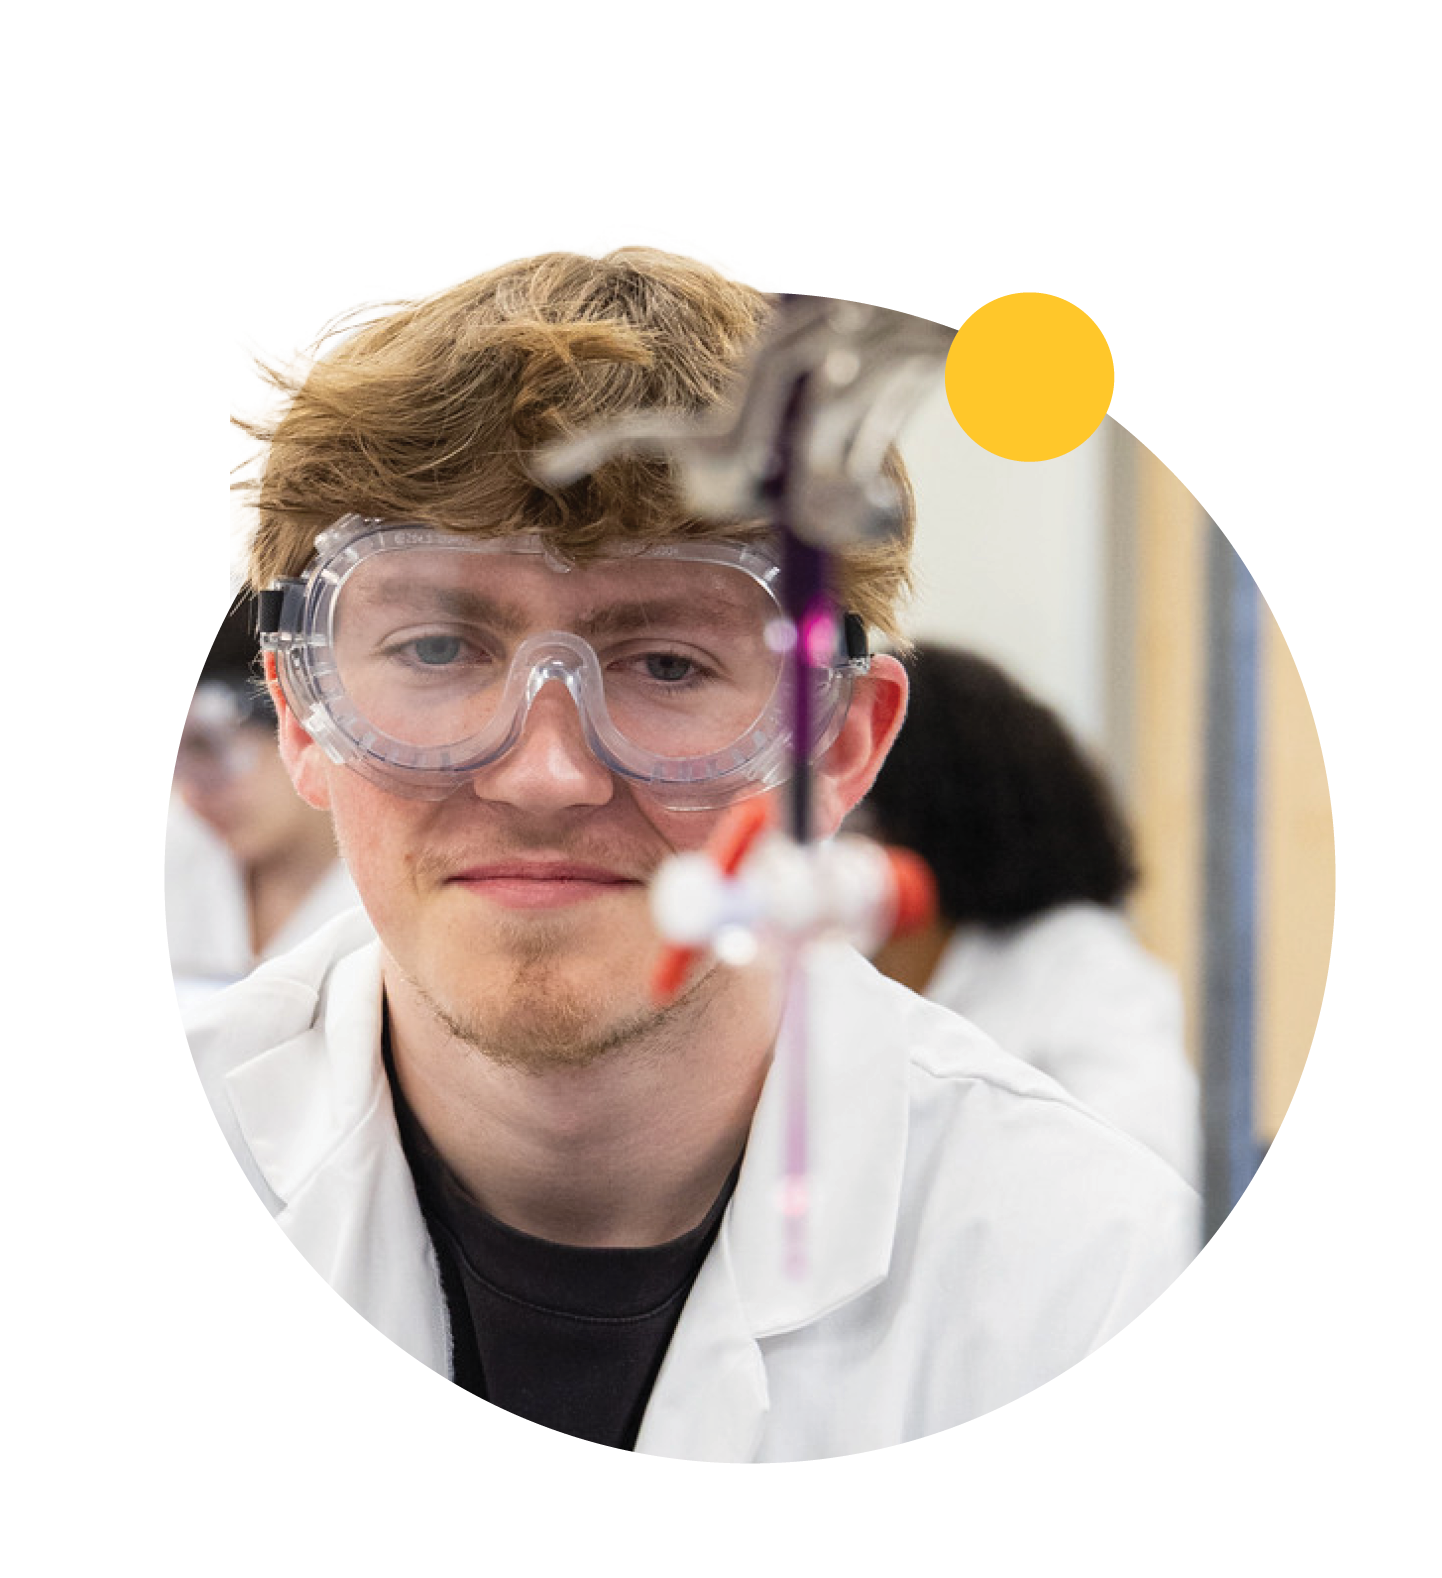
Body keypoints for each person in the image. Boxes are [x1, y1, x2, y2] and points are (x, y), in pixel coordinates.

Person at [188, 236, 1198, 1463]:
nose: (545, 773)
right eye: (440, 651)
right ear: (301, 712)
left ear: (841, 746)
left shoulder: (1088, 1286)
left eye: (667, 664)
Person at [857, 642, 1200, 1186]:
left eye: (861, 821)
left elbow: (1143, 1178)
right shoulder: (853, 975)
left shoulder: (1085, 971)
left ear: (930, 822)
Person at [166, 596, 357, 1006]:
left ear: (299, 729)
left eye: (207, 747)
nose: (193, 796)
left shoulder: (383, 901)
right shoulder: (176, 854)